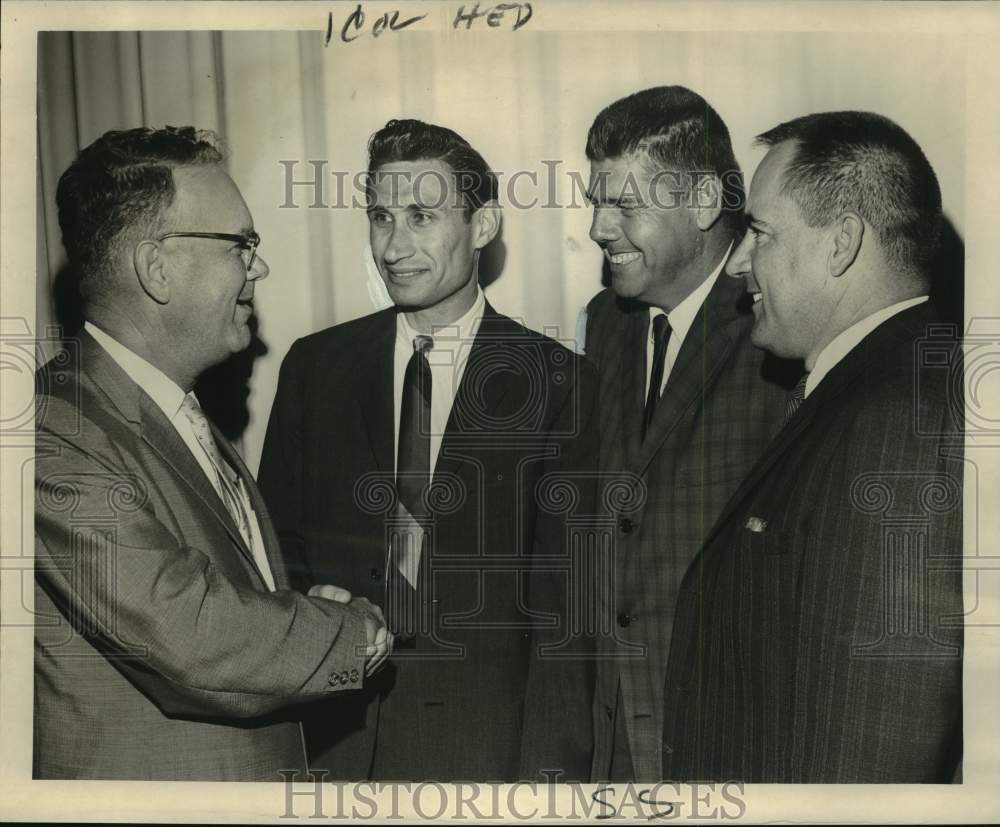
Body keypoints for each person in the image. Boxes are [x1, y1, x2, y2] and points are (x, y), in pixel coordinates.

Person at [34, 126, 392, 781]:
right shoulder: (50, 432)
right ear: (157, 267)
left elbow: (218, 596)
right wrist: (349, 631)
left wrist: (302, 606)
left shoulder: (177, 414)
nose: (258, 266)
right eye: (239, 244)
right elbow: (188, 631)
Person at [258, 118, 598, 781]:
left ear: (484, 224)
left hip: (484, 754)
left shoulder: (558, 381)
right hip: (333, 742)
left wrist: (545, 787)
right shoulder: (315, 367)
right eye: (382, 217)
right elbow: (273, 548)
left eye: (421, 215)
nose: (394, 245)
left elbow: (567, 615)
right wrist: (309, 596)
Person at [662, 111, 963, 782]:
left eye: (760, 234)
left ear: (841, 244)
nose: (738, 262)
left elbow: (875, 739)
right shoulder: (868, 387)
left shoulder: (899, 420)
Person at [582, 85, 795, 782]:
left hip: (730, 746)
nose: (598, 229)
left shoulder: (781, 327)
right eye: (596, 203)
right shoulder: (606, 322)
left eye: (625, 205)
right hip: (614, 748)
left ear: (705, 202)